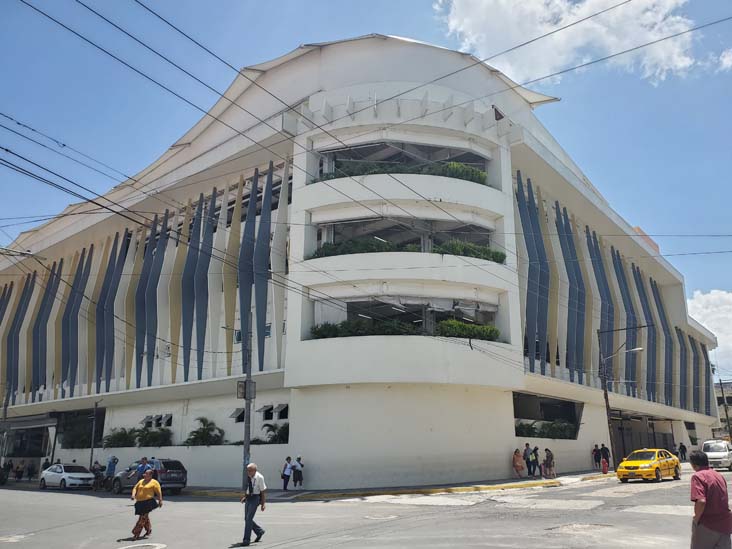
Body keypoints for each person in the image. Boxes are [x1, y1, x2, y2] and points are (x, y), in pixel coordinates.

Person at [689, 450, 732, 548]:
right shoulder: (718, 475)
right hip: (725, 523)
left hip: (708, 524)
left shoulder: (698, 476)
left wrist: (696, 519)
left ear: (693, 464)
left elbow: (701, 501)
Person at [130, 469, 163, 541]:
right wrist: (133, 495)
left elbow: (159, 492)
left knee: (142, 518)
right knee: (145, 518)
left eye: (146, 473)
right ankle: (148, 530)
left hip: (148, 502)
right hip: (139, 502)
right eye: (145, 473)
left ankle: (136, 533)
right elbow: (135, 488)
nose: (144, 474)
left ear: (151, 475)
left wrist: (160, 500)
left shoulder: (154, 482)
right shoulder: (141, 481)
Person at [240, 463, 266, 546]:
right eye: (247, 470)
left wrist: (263, 503)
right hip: (249, 497)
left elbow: (262, 491)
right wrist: (245, 497)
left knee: (249, 519)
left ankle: (246, 540)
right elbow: (248, 487)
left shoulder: (260, 477)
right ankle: (259, 531)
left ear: (255, 470)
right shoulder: (249, 476)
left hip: (255, 498)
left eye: (250, 470)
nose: (248, 472)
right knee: (246, 518)